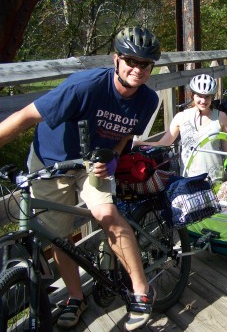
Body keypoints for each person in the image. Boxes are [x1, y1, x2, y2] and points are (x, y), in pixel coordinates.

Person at [0, 26, 161, 330]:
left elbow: (126, 134)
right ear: (116, 59)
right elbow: (23, 118)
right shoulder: (83, 87)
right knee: (58, 238)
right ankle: (76, 296)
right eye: (131, 60)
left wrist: (111, 157)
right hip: (52, 162)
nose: (137, 69)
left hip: (93, 163)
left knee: (107, 214)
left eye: (145, 64)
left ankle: (142, 291)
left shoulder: (148, 100)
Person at [137, 74, 227, 182]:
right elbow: (163, 143)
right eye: (199, 96)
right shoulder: (181, 117)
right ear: (192, 95)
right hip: (189, 179)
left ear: (212, 97)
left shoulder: (220, 117)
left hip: (215, 180)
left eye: (207, 96)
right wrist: (137, 143)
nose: (203, 100)